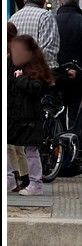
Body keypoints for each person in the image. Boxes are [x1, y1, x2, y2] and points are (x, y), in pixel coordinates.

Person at [7, 33, 55, 197]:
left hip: (28, 117)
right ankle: (10, 179)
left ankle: (35, 183)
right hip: (16, 115)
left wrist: (21, 79)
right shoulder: (13, 64)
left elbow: (36, 88)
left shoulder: (33, 68)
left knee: (31, 150)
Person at [9, 0, 60, 69]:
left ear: (25, 0)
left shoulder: (13, 18)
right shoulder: (46, 17)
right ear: (43, 1)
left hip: (17, 72)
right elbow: (48, 49)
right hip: (39, 72)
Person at [6, 22, 30, 192]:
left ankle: (19, 177)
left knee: (13, 145)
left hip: (14, 103)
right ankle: (20, 175)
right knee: (13, 145)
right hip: (13, 102)